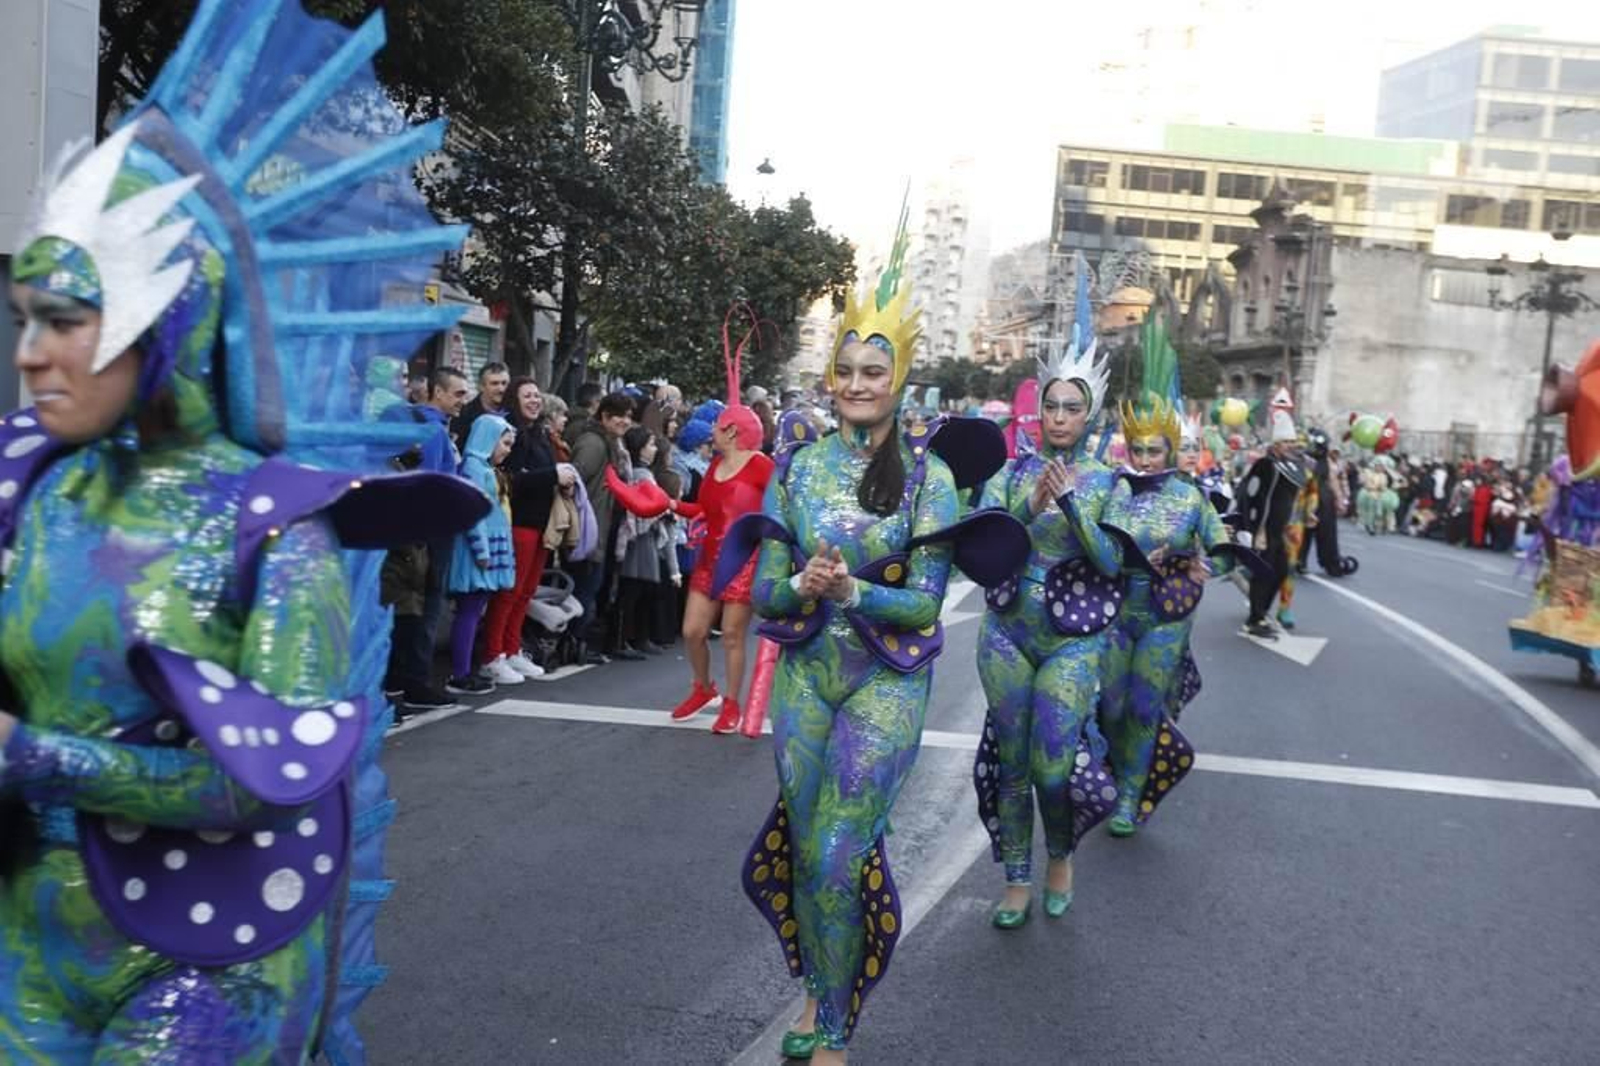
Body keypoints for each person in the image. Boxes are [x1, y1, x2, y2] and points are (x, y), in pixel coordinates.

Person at [0, 1, 486, 1057]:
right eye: (23, 319)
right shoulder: (25, 491)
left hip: (207, 966)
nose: (34, 352)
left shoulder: (271, 525)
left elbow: (263, 776)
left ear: (168, 314)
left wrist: (36, 757)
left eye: (67, 318)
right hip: (27, 946)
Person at [730, 225, 1023, 1062]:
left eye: (875, 371)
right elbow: (768, 589)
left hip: (885, 681)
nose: (858, 384)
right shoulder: (800, 467)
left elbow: (926, 606)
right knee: (807, 837)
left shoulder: (928, 477)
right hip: (807, 675)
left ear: (899, 378)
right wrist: (805, 587)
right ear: (833, 377)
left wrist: (854, 588)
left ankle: (834, 1026)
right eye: (847, 371)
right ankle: (822, 982)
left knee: (834, 850)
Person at [973, 312, 1120, 929]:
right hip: (1008, 627)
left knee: (1053, 766)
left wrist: (1073, 510)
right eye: (1051, 406)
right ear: (1039, 412)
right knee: (1012, 762)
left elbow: (1113, 560)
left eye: (1071, 408)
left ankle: (1059, 855)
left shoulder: (1108, 482)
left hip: (1073, 638)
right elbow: (981, 551)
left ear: (1089, 417)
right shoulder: (1008, 476)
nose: (1059, 417)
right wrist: (1029, 507)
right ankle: (1014, 878)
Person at [1096, 316, 1233, 838]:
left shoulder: (1191, 497)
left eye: (1155, 450)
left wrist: (1207, 566)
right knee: (1111, 704)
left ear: (1171, 450)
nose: (1147, 458)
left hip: (1166, 617)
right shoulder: (1112, 490)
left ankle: (1131, 794)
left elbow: (1223, 547)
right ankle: (1113, 770)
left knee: (1144, 705)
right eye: (1139, 450)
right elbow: (1092, 542)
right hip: (1116, 610)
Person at [668, 310, 776, 732]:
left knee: (732, 635)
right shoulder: (713, 467)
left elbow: (782, 509)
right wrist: (669, 504)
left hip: (744, 560)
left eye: (718, 425)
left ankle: (732, 702)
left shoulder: (761, 466)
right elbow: (707, 512)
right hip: (710, 558)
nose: (711, 430)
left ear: (733, 430)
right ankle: (703, 686)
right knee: (692, 631)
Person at [482, 377, 575, 682]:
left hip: (541, 524)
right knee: (508, 593)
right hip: (519, 522)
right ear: (514, 400)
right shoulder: (512, 435)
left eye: (537, 395)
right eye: (527, 396)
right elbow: (511, 479)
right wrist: (552, 474)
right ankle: (492, 655)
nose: (535, 400)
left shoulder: (540, 435)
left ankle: (511, 650)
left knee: (525, 593)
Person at [570, 391, 633, 663]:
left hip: (601, 526)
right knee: (585, 588)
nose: (625, 421)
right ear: (604, 416)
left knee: (592, 587)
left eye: (629, 416)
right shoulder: (594, 444)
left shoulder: (610, 443)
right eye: (619, 415)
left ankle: (579, 643)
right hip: (588, 528)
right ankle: (574, 644)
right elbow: (573, 478)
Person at [1238, 411, 1309, 638]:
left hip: (1280, 532)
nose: (1290, 445)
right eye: (1285, 442)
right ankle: (1254, 619)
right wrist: (1254, 530)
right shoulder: (1265, 465)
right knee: (1263, 573)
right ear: (1276, 444)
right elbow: (1254, 497)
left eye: (1291, 441)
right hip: (1264, 532)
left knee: (1280, 571)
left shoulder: (1293, 466)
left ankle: (1261, 612)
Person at [452, 360, 510, 452]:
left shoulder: (513, 413)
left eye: (504, 383)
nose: (501, 389)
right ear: (481, 386)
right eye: (494, 383)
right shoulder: (464, 415)